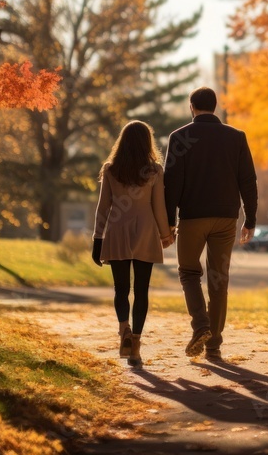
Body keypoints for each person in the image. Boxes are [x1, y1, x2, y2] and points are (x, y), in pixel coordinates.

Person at [164, 87, 257, 361]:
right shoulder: (236, 137)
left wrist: (169, 222)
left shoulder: (180, 137)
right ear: (214, 107)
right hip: (227, 218)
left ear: (191, 107)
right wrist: (250, 219)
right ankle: (214, 345)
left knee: (189, 273)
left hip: (192, 217)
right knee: (219, 281)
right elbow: (248, 182)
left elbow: (172, 184)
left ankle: (200, 324)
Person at [92, 121, 174, 366]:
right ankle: (135, 344)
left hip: (117, 232)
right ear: (147, 142)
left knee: (121, 289)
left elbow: (103, 207)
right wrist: (165, 234)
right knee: (141, 290)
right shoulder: (155, 171)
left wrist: (97, 239)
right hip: (146, 232)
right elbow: (158, 206)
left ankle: (123, 330)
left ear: (122, 142)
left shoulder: (110, 169)